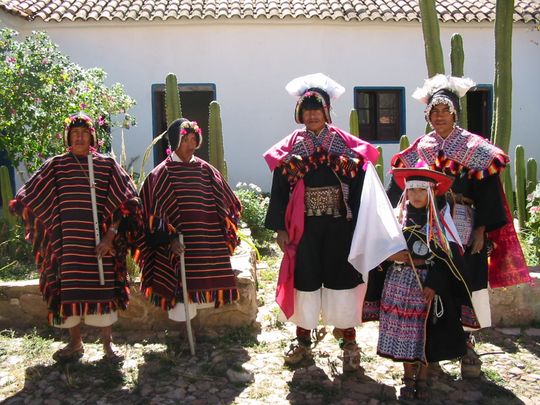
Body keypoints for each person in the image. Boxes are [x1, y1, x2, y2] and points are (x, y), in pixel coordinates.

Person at [387, 74, 531, 377]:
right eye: (434, 112)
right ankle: (431, 351)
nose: (439, 117)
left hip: (463, 227)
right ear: (427, 116)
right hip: (426, 230)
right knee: (431, 284)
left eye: (445, 111)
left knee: (465, 282)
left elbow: (489, 192)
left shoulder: (475, 148)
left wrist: (481, 230)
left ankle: (467, 345)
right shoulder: (417, 150)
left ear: (455, 114)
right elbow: (398, 188)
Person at [264, 73, 399, 372]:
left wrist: (367, 227)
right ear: (300, 113)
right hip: (305, 228)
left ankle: (348, 340)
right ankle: (302, 339)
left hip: (341, 227)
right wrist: (280, 228)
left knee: (344, 281)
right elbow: (279, 189)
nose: (312, 114)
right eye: (307, 109)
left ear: (327, 112)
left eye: (318, 109)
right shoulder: (290, 148)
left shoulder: (345, 145)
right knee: (305, 281)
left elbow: (364, 186)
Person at [10, 112, 142, 361]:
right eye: (75, 134)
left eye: (84, 133)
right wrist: (24, 207)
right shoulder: (56, 165)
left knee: (103, 291)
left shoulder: (107, 165)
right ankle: (75, 343)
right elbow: (29, 193)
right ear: (68, 137)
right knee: (68, 292)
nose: (79, 137)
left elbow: (127, 202)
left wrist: (110, 236)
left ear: (92, 136)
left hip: (101, 246)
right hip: (68, 245)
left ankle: (107, 345)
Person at [368, 166, 478, 400]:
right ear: (405, 193)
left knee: (426, 331)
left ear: (432, 192)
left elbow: (448, 259)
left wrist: (434, 284)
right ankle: (408, 377)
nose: (416, 195)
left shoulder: (439, 224)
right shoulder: (396, 219)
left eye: (421, 190)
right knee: (404, 333)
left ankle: (424, 377)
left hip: (427, 288)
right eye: (412, 190)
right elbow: (377, 248)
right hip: (398, 284)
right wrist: (391, 256)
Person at [138, 118, 241, 332]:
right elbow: (150, 212)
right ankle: (181, 335)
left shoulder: (207, 171)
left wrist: (224, 229)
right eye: (186, 139)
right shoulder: (160, 174)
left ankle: (196, 332)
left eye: (194, 139)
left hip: (204, 241)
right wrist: (169, 239)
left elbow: (228, 203)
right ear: (175, 141)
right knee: (180, 289)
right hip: (176, 245)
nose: (191, 145)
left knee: (200, 285)